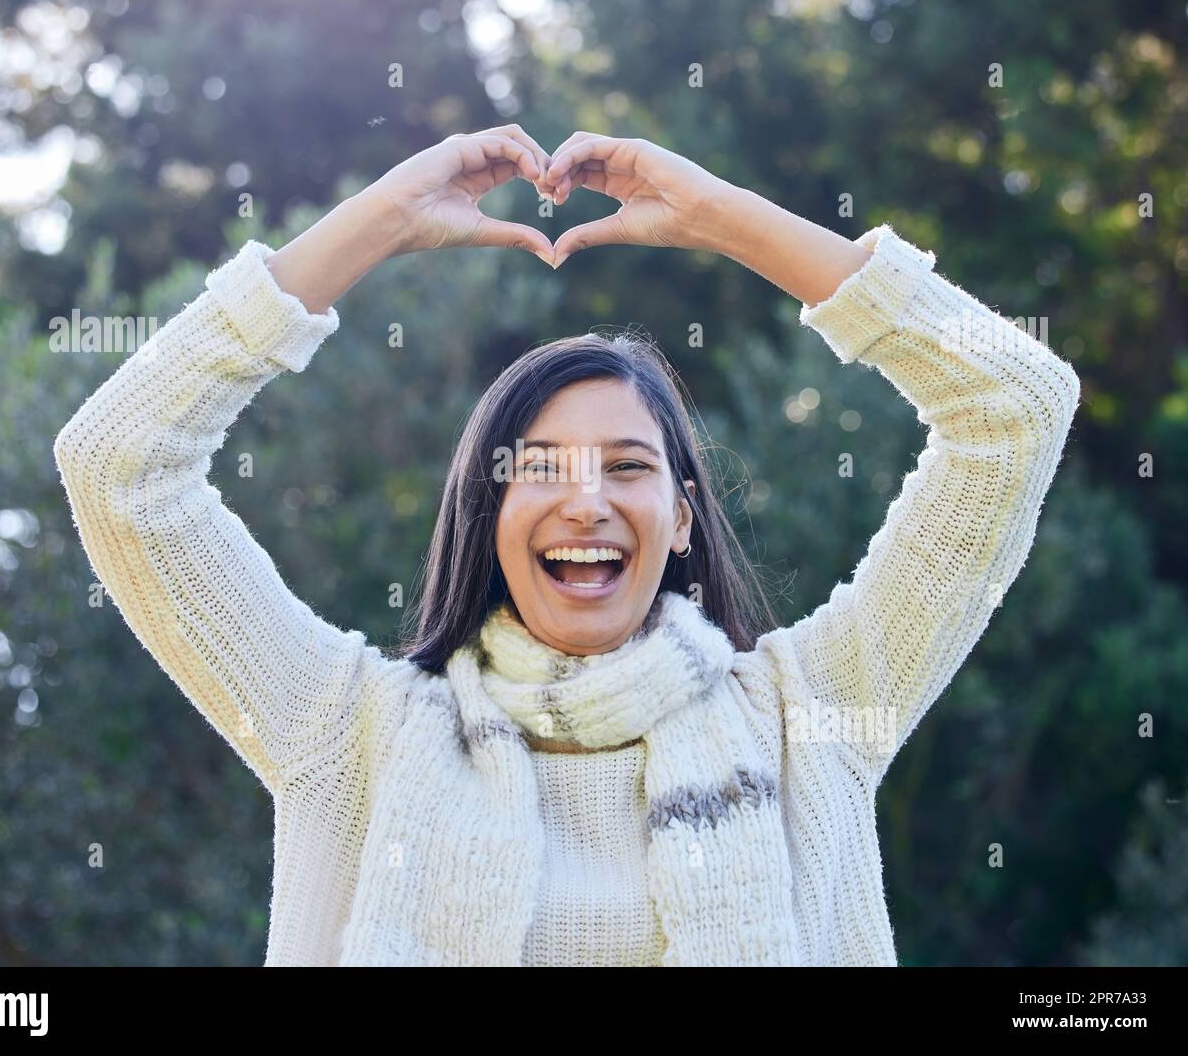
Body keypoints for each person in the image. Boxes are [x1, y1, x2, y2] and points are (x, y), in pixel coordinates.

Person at [53, 125, 1081, 966]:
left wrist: (725, 221)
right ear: (484, 516)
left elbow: (1017, 407)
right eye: (538, 468)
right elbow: (117, 467)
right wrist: (378, 223)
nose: (585, 500)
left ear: (682, 518)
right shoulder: (346, 733)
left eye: (628, 467)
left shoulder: (811, 718)